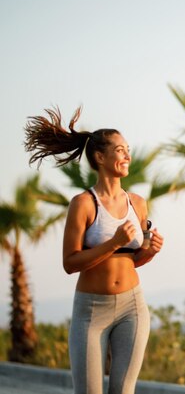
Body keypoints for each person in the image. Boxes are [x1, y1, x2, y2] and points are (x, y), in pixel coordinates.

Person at [24, 107, 164, 394]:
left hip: (132, 308)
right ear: (100, 157)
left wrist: (151, 250)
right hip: (91, 311)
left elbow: (133, 260)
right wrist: (113, 242)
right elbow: (70, 263)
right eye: (120, 150)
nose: (127, 156)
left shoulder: (137, 202)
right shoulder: (83, 204)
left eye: (128, 150)